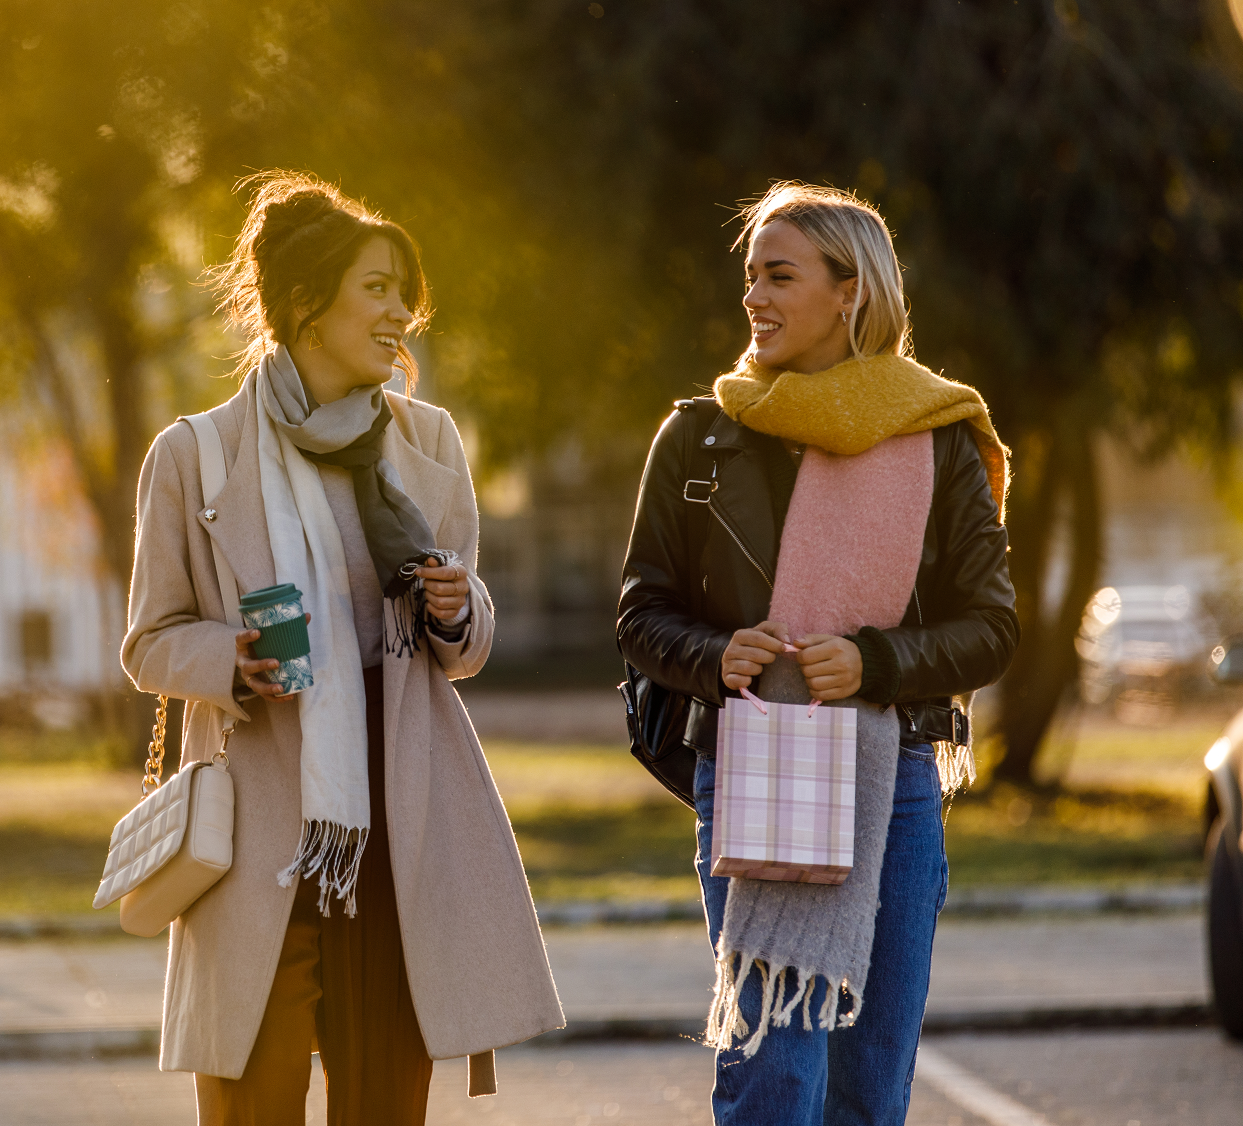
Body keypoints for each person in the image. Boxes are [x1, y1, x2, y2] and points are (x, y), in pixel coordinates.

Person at [122, 172, 563, 1124]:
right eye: (378, 288)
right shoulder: (196, 454)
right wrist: (227, 657)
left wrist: (457, 605)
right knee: (255, 1104)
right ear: (306, 306)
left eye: (406, 291)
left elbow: (466, 644)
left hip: (400, 827)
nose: (401, 312)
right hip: (257, 836)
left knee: (386, 1107)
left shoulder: (428, 442)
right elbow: (148, 642)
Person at [616, 182, 1018, 1124]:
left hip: (898, 784)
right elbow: (640, 614)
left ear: (851, 292)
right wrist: (718, 653)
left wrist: (875, 664)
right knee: (774, 1070)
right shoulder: (697, 436)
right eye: (750, 275)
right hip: (755, 769)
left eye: (780, 275)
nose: (754, 295)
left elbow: (991, 627)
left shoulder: (940, 435)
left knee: (869, 1082)